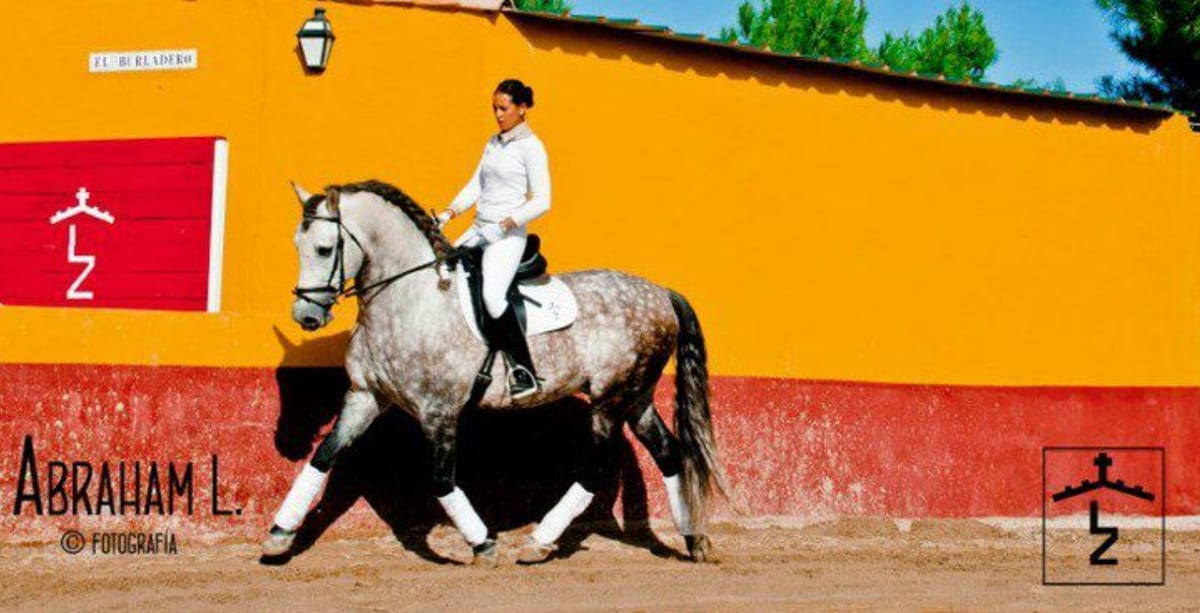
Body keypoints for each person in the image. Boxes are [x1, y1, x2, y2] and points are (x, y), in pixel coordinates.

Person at [436, 78, 550, 400]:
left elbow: (543, 200)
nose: (498, 115)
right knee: (443, 268)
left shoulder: (532, 147)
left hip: (507, 236)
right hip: (479, 228)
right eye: (494, 109)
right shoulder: (493, 143)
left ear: (522, 108)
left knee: (492, 295)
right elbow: (477, 184)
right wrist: (448, 213)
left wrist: (504, 225)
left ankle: (523, 371)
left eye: (503, 108)